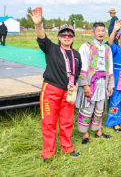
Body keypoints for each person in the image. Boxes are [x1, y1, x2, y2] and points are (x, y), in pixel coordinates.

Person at [29, 9, 82, 162]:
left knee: (67, 122)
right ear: (59, 36)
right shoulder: (51, 48)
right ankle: (48, 153)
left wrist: (75, 87)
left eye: (70, 34)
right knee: (49, 123)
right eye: (63, 34)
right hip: (51, 90)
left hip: (69, 92)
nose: (67, 37)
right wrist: (38, 25)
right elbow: (41, 37)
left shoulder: (76, 54)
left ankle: (67, 149)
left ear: (73, 37)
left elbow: (76, 73)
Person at [76, 22, 114, 144]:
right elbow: (82, 66)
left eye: (103, 30)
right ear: (93, 32)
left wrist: (110, 85)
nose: (101, 33)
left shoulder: (107, 48)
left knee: (99, 107)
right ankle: (85, 134)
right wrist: (85, 84)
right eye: (98, 30)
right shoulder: (86, 46)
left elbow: (110, 67)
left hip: (103, 81)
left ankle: (98, 130)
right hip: (90, 81)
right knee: (87, 107)